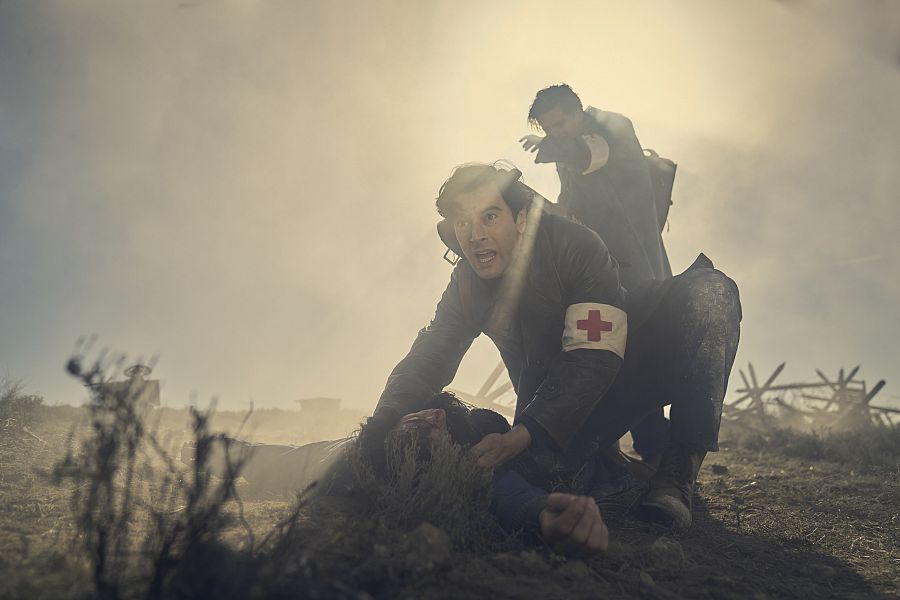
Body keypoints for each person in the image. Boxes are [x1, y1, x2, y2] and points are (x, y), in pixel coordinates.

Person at [372, 163, 741, 531]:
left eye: (489, 216)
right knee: (544, 484)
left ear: (519, 219)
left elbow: (593, 354)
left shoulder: (573, 245)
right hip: (552, 407)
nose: (475, 235)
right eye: (463, 223)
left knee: (710, 294)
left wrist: (525, 432)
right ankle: (609, 466)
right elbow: (431, 353)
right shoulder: (466, 285)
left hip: (632, 367)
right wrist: (384, 419)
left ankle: (678, 471)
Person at [521, 83, 674, 461]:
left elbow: (590, 153)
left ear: (577, 111)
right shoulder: (564, 153)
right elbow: (572, 209)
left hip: (636, 268)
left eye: (560, 123)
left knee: (641, 349)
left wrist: (553, 147)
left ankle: (658, 455)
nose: (556, 132)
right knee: (600, 351)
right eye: (548, 128)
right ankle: (604, 450)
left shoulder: (613, 127)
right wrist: (534, 206)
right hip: (598, 270)